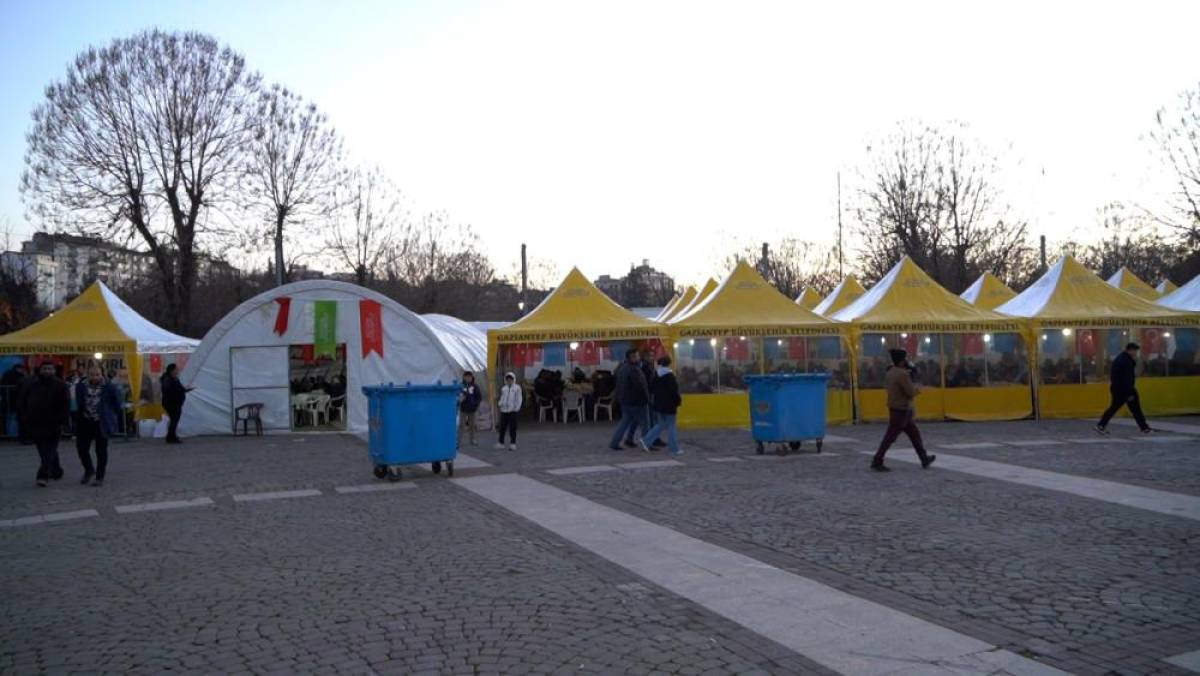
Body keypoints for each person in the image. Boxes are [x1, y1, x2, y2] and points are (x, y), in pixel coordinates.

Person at [870, 349, 936, 472]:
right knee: (890, 437)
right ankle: (877, 460)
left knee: (914, 434)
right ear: (901, 361)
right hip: (902, 410)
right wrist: (918, 388)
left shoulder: (890, 372)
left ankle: (923, 458)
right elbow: (910, 392)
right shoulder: (902, 374)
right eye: (904, 359)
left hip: (897, 408)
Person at [19, 361, 70, 487]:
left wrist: (63, 420)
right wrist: (25, 417)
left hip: (54, 423)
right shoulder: (31, 384)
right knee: (43, 450)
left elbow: (65, 404)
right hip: (36, 422)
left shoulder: (60, 385)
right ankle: (56, 470)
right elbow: (23, 401)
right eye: (45, 368)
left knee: (50, 449)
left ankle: (43, 475)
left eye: (50, 368)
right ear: (40, 370)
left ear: (54, 370)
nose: (47, 371)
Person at [74, 366, 123, 487]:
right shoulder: (81, 386)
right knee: (82, 449)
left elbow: (117, 403)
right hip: (85, 421)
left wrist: (112, 417)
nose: (95, 377)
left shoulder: (109, 387)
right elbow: (79, 401)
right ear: (87, 374)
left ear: (102, 374)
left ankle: (100, 476)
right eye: (92, 374)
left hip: (101, 422)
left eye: (97, 374)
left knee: (101, 450)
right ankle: (89, 469)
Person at [1096, 342, 1152, 434]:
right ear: (1130, 350)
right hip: (1126, 390)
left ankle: (1101, 425)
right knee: (1136, 409)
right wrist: (1129, 393)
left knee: (1114, 408)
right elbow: (1127, 378)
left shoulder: (1120, 359)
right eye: (1134, 351)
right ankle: (1144, 428)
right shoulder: (1127, 361)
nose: (1135, 353)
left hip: (1117, 388)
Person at [640, 356, 683, 456]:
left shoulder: (656, 374)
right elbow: (674, 392)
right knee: (671, 426)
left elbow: (652, 389)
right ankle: (674, 449)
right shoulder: (670, 376)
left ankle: (646, 440)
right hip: (669, 405)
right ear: (669, 364)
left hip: (658, 404)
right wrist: (678, 401)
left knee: (660, 425)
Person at [609, 349, 649, 450]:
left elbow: (618, 385)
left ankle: (614, 443)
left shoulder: (622, 368)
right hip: (637, 401)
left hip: (625, 401)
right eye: (637, 356)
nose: (639, 357)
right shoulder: (634, 369)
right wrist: (646, 399)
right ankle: (647, 444)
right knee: (645, 423)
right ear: (632, 357)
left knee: (624, 422)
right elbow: (640, 386)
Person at [626, 349, 665, 448]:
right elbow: (645, 383)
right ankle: (652, 439)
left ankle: (630, 438)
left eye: (653, 356)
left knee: (637, 420)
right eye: (650, 356)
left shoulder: (647, 366)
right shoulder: (645, 367)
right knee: (651, 419)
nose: (652, 358)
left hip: (647, 395)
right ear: (645, 357)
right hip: (648, 395)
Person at [160, 363, 193, 444]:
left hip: (176, 403)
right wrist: (180, 391)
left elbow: (180, 388)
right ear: (171, 371)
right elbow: (168, 391)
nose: (177, 371)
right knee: (174, 420)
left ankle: (171, 436)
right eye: (176, 369)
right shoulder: (167, 379)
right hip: (171, 403)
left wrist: (186, 390)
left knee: (174, 420)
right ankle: (171, 437)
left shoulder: (175, 379)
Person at [496, 372, 522, 450]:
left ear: (513, 379)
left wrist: (516, 408)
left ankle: (513, 443)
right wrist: (500, 403)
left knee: (513, 428)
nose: (509, 381)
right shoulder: (504, 388)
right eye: (507, 379)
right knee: (502, 427)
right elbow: (502, 397)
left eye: (510, 379)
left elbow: (519, 399)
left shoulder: (517, 388)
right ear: (505, 380)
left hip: (513, 411)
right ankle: (501, 442)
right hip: (504, 410)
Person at [1, 363, 27, 440]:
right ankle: (13, 434)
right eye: (22, 369)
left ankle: (8, 433)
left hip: (7, 399)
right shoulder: (19, 376)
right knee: (14, 417)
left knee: (8, 417)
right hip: (15, 399)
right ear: (19, 368)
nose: (23, 371)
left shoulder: (6, 374)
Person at [458, 371, 482, 447]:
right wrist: (460, 400)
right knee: (461, 425)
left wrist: (475, 404)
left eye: (470, 377)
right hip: (463, 409)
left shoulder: (475, 386)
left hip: (472, 409)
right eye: (467, 377)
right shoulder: (461, 386)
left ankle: (472, 439)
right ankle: (458, 441)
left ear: (472, 377)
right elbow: (457, 395)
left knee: (472, 425)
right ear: (464, 377)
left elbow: (479, 397)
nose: (468, 378)